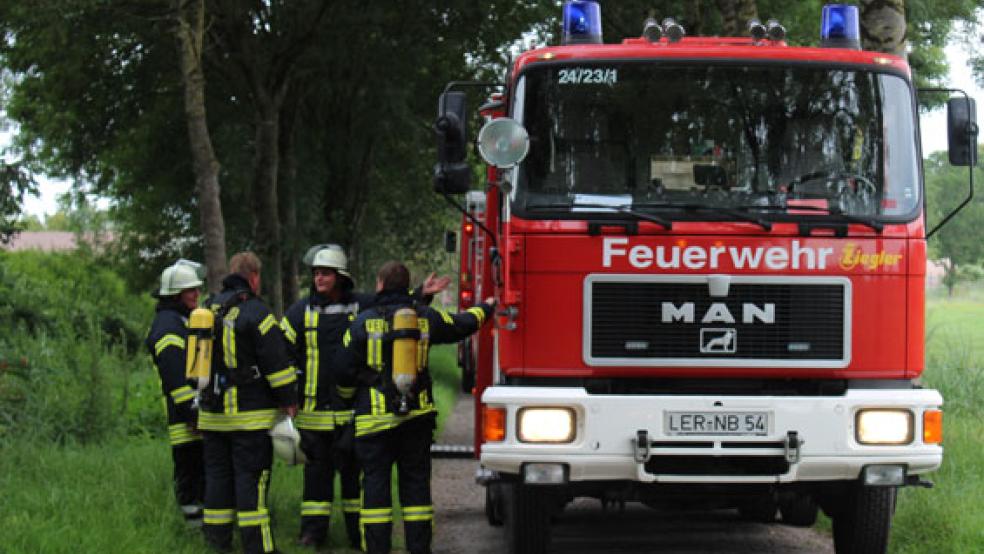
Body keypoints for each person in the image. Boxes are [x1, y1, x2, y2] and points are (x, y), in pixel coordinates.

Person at [281, 244, 449, 549]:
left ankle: (357, 535)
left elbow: (393, 307)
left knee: (354, 476)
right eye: (316, 273)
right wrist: (287, 393)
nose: (319, 279)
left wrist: (421, 295)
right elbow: (281, 351)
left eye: (326, 273)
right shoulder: (299, 312)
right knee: (316, 475)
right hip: (314, 412)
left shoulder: (361, 305)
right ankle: (312, 535)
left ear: (340, 276)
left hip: (352, 411)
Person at [337, 260, 493, 554]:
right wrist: (486, 307)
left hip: (373, 424)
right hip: (416, 419)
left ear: (380, 284)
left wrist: (351, 400)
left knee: (375, 491)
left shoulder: (361, 322)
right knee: (416, 490)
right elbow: (461, 324)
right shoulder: (424, 317)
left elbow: (342, 372)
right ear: (407, 286)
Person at [198, 251, 298, 554]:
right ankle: (259, 548)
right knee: (250, 481)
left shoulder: (207, 309)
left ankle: (217, 544)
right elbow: (277, 365)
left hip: (211, 415)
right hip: (249, 418)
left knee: (217, 480)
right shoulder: (258, 313)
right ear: (254, 277)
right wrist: (288, 400)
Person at [145, 259, 207, 525]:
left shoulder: (180, 319)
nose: (197, 294)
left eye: (197, 289)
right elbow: (175, 379)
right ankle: (193, 527)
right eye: (190, 290)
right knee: (189, 473)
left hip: (192, 411)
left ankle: (202, 525)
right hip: (185, 415)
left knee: (199, 472)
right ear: (175, 294)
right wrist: (191, 413)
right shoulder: (168, 326)